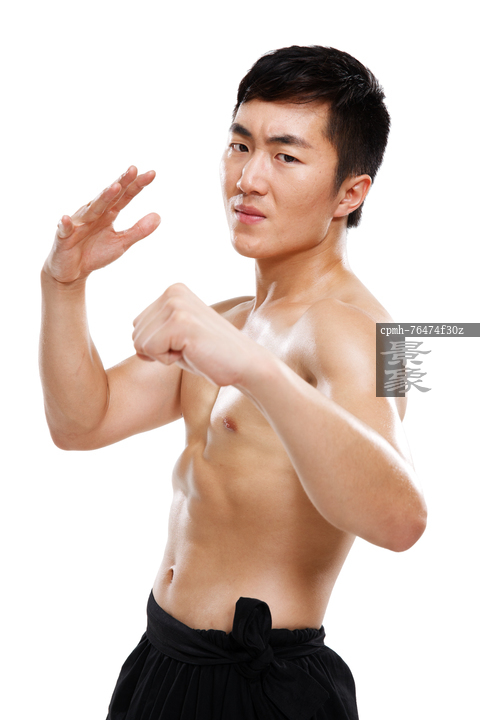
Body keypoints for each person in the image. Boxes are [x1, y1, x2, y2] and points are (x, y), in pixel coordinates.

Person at [39, 45, 427, 720]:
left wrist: (252, 367)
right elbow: (82, 422)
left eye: (286, 156)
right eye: (240, 145)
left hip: (262, 688)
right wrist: (63, 284)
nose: (248, 178)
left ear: (350, 193)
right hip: (162, 659)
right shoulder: (231, 320)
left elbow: (402, 520)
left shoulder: (358, 330)